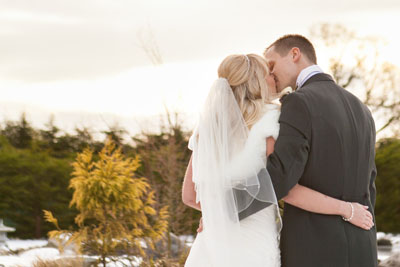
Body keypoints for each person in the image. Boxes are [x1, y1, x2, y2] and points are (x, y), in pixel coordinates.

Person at [182, 53, 374, 267]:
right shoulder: (270, 121)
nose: (274, 78)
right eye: (268, 73)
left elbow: (190, 196)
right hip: (253, 246)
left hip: (211, 246)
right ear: (258, 82)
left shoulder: (207, 130)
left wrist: (219, 213)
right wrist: (346, 209)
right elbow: (283, 187)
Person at [264, 34, 378, 266]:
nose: (270, 74)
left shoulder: (298, 102)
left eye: (272, 65)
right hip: (362, 247)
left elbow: (277, 181)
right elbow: (370, 184)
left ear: (294, 54)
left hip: (313, 249)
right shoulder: (362, 109)